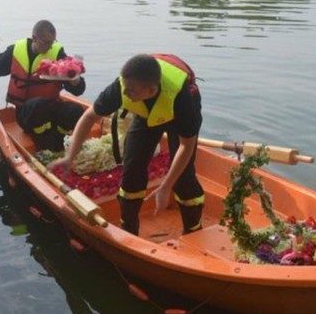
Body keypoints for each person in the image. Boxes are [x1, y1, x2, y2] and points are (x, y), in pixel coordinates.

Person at [50, 54, 205, 236]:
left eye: (130, 91)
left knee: (183, 178)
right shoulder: (123, 86)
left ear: (151, 91)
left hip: (175, 114)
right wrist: (70, 156)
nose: (124, 94)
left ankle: (193, 230)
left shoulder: (183, 99)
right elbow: (89, 116)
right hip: (145, 114)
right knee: (132, 170)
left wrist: (166, 186)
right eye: (125, 87)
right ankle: (129, 230)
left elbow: (186, 147)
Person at [0, 20, 86, 151]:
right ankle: (45, 147)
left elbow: (78, 89)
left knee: (74, 110)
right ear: (34, 38)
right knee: (38, 105)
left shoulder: (57, 54)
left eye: (51, 42)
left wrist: (75, 80)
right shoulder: (17, 51)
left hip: (52, 109)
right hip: (27, 113)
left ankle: (63, 144)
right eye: (45, 42)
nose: (49, 47)